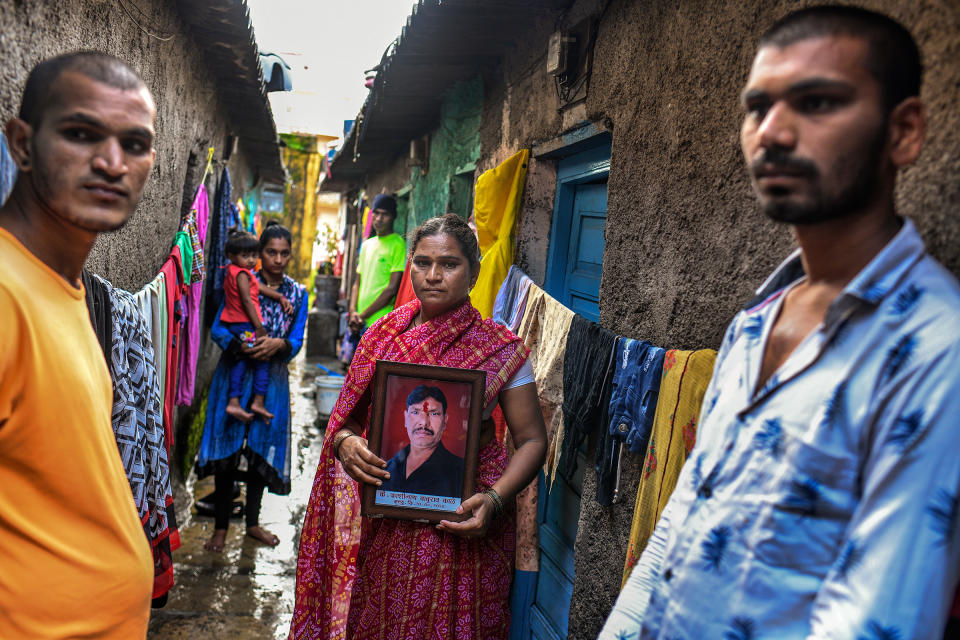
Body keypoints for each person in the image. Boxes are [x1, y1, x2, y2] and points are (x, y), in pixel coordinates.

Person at [601, 6, 960, 639]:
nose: (772, 133)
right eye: (758, 107)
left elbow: (874, 622)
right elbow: (682, 523)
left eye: (817, 102)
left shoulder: (937, 349)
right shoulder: (752, 325)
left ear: (903, 131)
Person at [291, 213, 547, 639]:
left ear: (474, 271)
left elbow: (533, 439)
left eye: (449, 264)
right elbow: (347, 418)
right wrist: (346, 442)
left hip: (466, 514)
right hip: (393, 510)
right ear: (410, 266)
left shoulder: (501, 349)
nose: (433, 275)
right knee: (386, 618)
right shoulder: (382, 336)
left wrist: (494, 500)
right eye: (423, 262)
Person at [0, 51, 155, 638]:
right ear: (21, 144)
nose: (112, 163)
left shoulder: (59, 288)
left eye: (134, 144)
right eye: (81, 133)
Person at [195, 220, 308, 553]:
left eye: (283, 253)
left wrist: (279, 346)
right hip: (234, 375)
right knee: (228, 450)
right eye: (270, 252)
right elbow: (217, 329)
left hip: (270, 380)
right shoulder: (241, 281)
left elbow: (297, 339)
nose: (277, 259)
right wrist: (239, 346)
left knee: (260, 448)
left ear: (290, 256)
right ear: (260, 254)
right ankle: (220, 528)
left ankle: (253, 524)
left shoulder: (298, 294)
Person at [219, 228, 293, 423]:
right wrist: (259, 327)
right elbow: (247, 300)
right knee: (259, 358)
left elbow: (258, 288)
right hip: (245, 327)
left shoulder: (242, 273)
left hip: (241, 326)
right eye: (271, 252)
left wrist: (280, 297)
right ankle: (249, 401)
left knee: (244, 358)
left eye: (253, 255)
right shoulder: (242, 275)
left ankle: (240, 401)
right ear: (231, 256)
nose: (278, 260)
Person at [380, 385, 465, 498]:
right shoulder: (386, 469)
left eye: (434, 413)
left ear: (445, 421)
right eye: (416, 412)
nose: (424, 423)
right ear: (405, 418)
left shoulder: (461, 473)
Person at [348, 193, 405, 331]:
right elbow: (357, 283)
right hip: (358, 321)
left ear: (393, 217)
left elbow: (391, 289)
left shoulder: (398, 244)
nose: (379, 218)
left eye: (384, 214)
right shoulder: (367, 244)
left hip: (380, 322)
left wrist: (362, 315)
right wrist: (352, 312)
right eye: (376, 213)